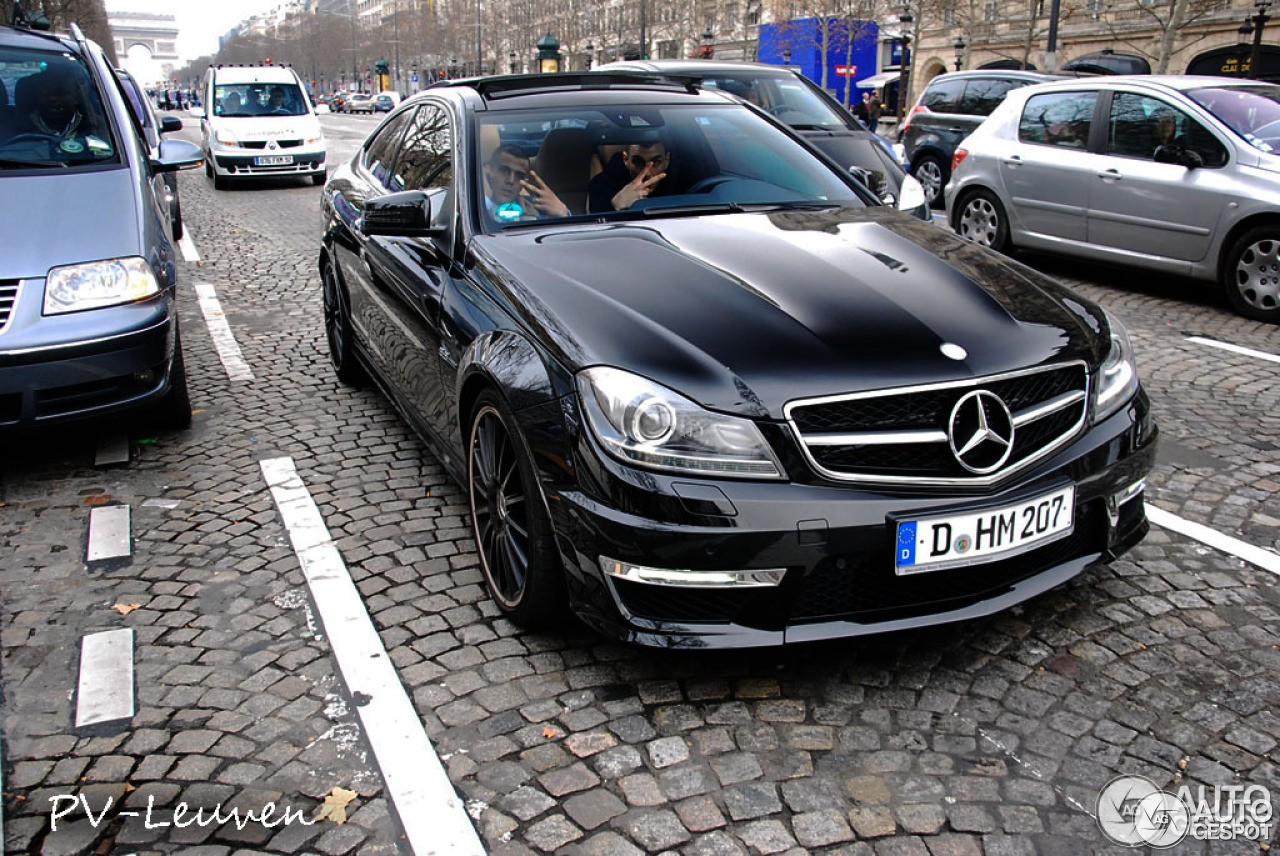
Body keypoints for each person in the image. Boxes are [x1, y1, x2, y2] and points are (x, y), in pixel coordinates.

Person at [483, 143, 569, 221]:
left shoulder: (535, 208)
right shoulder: (474, 206)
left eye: (519, 175)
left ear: (525, 181)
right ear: (489, 171)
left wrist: (563, 213)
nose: (510, 180)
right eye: (504, 171)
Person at [587, 139, 670, 212]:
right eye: (637, 161)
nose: (647, 173)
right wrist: (615, 207)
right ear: (625, 159)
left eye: (656, 162)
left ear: (667, 161)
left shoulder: (680, 182)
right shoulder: (601, 185)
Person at [21, 66, 87, 138]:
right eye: (46, 93)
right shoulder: (16, 129)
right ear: (37, 97)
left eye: (60, 93)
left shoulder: (95, 128)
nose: (53, 98)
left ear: (76, 97)